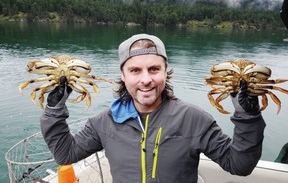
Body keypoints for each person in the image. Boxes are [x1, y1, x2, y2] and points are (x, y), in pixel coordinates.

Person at [41, 33, 266, 183]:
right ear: (123, 75)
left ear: (166, 71)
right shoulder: (104, 123)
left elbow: (240, 165)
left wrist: (248, 116)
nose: (146, 79)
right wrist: (54, 108)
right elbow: (65, 153)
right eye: (135, 70)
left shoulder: (194, 119)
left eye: (154, 69)